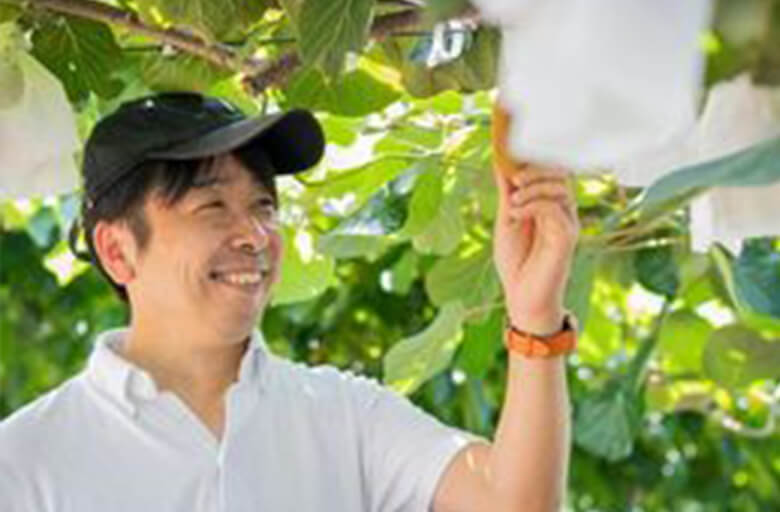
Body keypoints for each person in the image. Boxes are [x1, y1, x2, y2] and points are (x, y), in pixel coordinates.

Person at [0, 92, 580, 511]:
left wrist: (535, 315)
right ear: (118, 251)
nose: (254, 235)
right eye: (212, 207)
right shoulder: (25, 463)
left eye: (263, 207)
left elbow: (514, 505)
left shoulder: (344, 416)